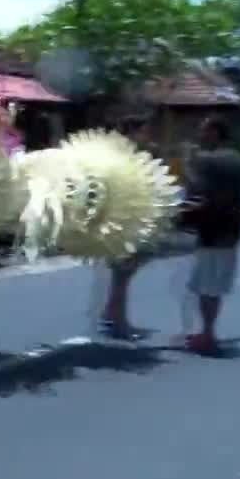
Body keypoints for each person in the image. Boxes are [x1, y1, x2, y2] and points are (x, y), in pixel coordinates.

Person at [181, 117, 240, 355]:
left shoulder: (209, 160)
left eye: (204, 131)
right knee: (214, 287)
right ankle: (208, 331)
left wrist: (187, 160)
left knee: (206, 286)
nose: (200, 136)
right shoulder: (237, 159)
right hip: (230, 231)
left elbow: (196, 187)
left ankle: (207, 334)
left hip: (212, 230)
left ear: (215, 133)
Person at [99, 114, 155, 340]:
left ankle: (111, 313)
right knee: (122, 273)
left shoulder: (123, 155)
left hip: (123, 218)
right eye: (144, 131)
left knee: (123, 272)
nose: (147, 136)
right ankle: (119, 322)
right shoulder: (125, 157)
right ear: (133, 133)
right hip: (123, 220)